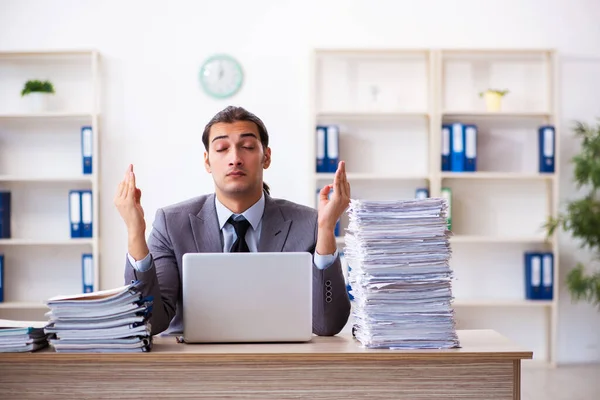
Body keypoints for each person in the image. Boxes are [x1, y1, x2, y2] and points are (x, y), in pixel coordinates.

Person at [115, 105, 351, 336]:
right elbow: (150, 322)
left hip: (279, 363)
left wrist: (326, 229)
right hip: (194, 366)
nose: (235, 158)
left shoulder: (308, 223)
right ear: (207, 161)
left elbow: (327, 325)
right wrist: (135, 232)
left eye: (247, 147)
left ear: (266, 157)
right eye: (222, 148)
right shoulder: (171, 224)